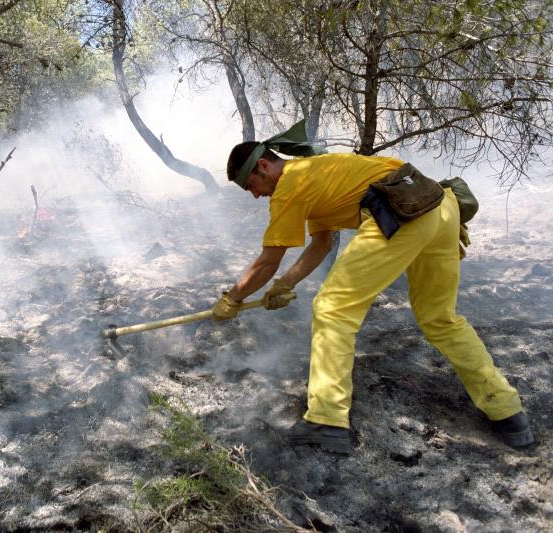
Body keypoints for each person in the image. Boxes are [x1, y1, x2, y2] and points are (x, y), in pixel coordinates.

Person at [213, 125, 533, 455]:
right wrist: (285, 284)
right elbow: (321, 244)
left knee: (332, 309)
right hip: (440, 208)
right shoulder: (314, 171)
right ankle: (507, 411)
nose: (254, 195)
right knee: (440, 318)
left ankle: (326, 420)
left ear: (264, 166)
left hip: (401, 213)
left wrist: (232, 299)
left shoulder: (290, 185)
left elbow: (267, 261)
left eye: (251, 186)